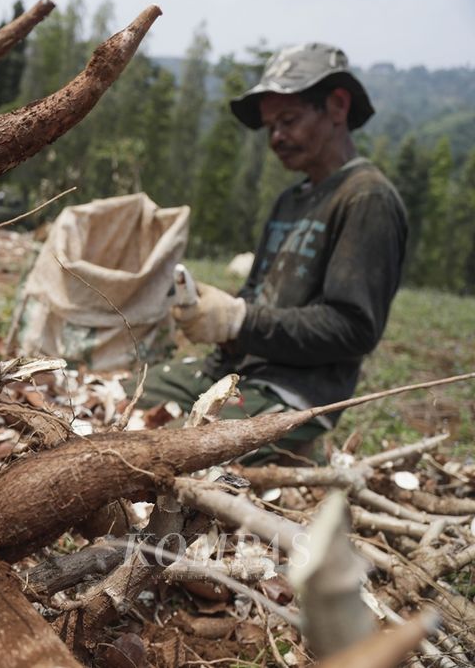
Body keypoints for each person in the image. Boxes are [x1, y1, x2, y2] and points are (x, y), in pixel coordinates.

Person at [133, 43, 408, 464]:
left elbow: (353, 328)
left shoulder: (366, 199)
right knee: (120, 406)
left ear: (336, 106)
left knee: (161, 457)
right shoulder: (289, 202)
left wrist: (240, 319)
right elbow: (256, 292)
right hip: (234, 377)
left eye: (289, 121)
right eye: (269, 127)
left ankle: (298, 446)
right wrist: (217, 316)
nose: (276, 137)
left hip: (294, 393)